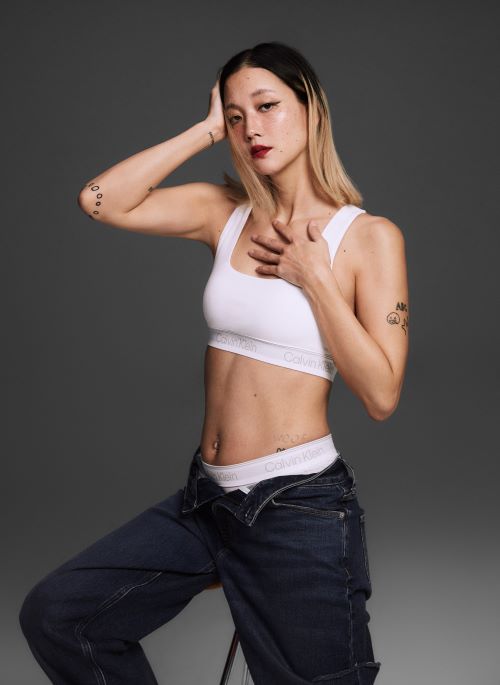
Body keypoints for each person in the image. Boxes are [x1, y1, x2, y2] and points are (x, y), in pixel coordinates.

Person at [19, 41, 409, 684]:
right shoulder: (221, 213)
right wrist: (204, 130)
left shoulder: (368, 238)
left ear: (311, 108)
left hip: (296, 507)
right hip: (207, 503)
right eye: (235, 116)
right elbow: (99, 199)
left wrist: (314, 277)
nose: (251, 127)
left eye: (267, 106)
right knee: (61, 615)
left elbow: (382, 395)